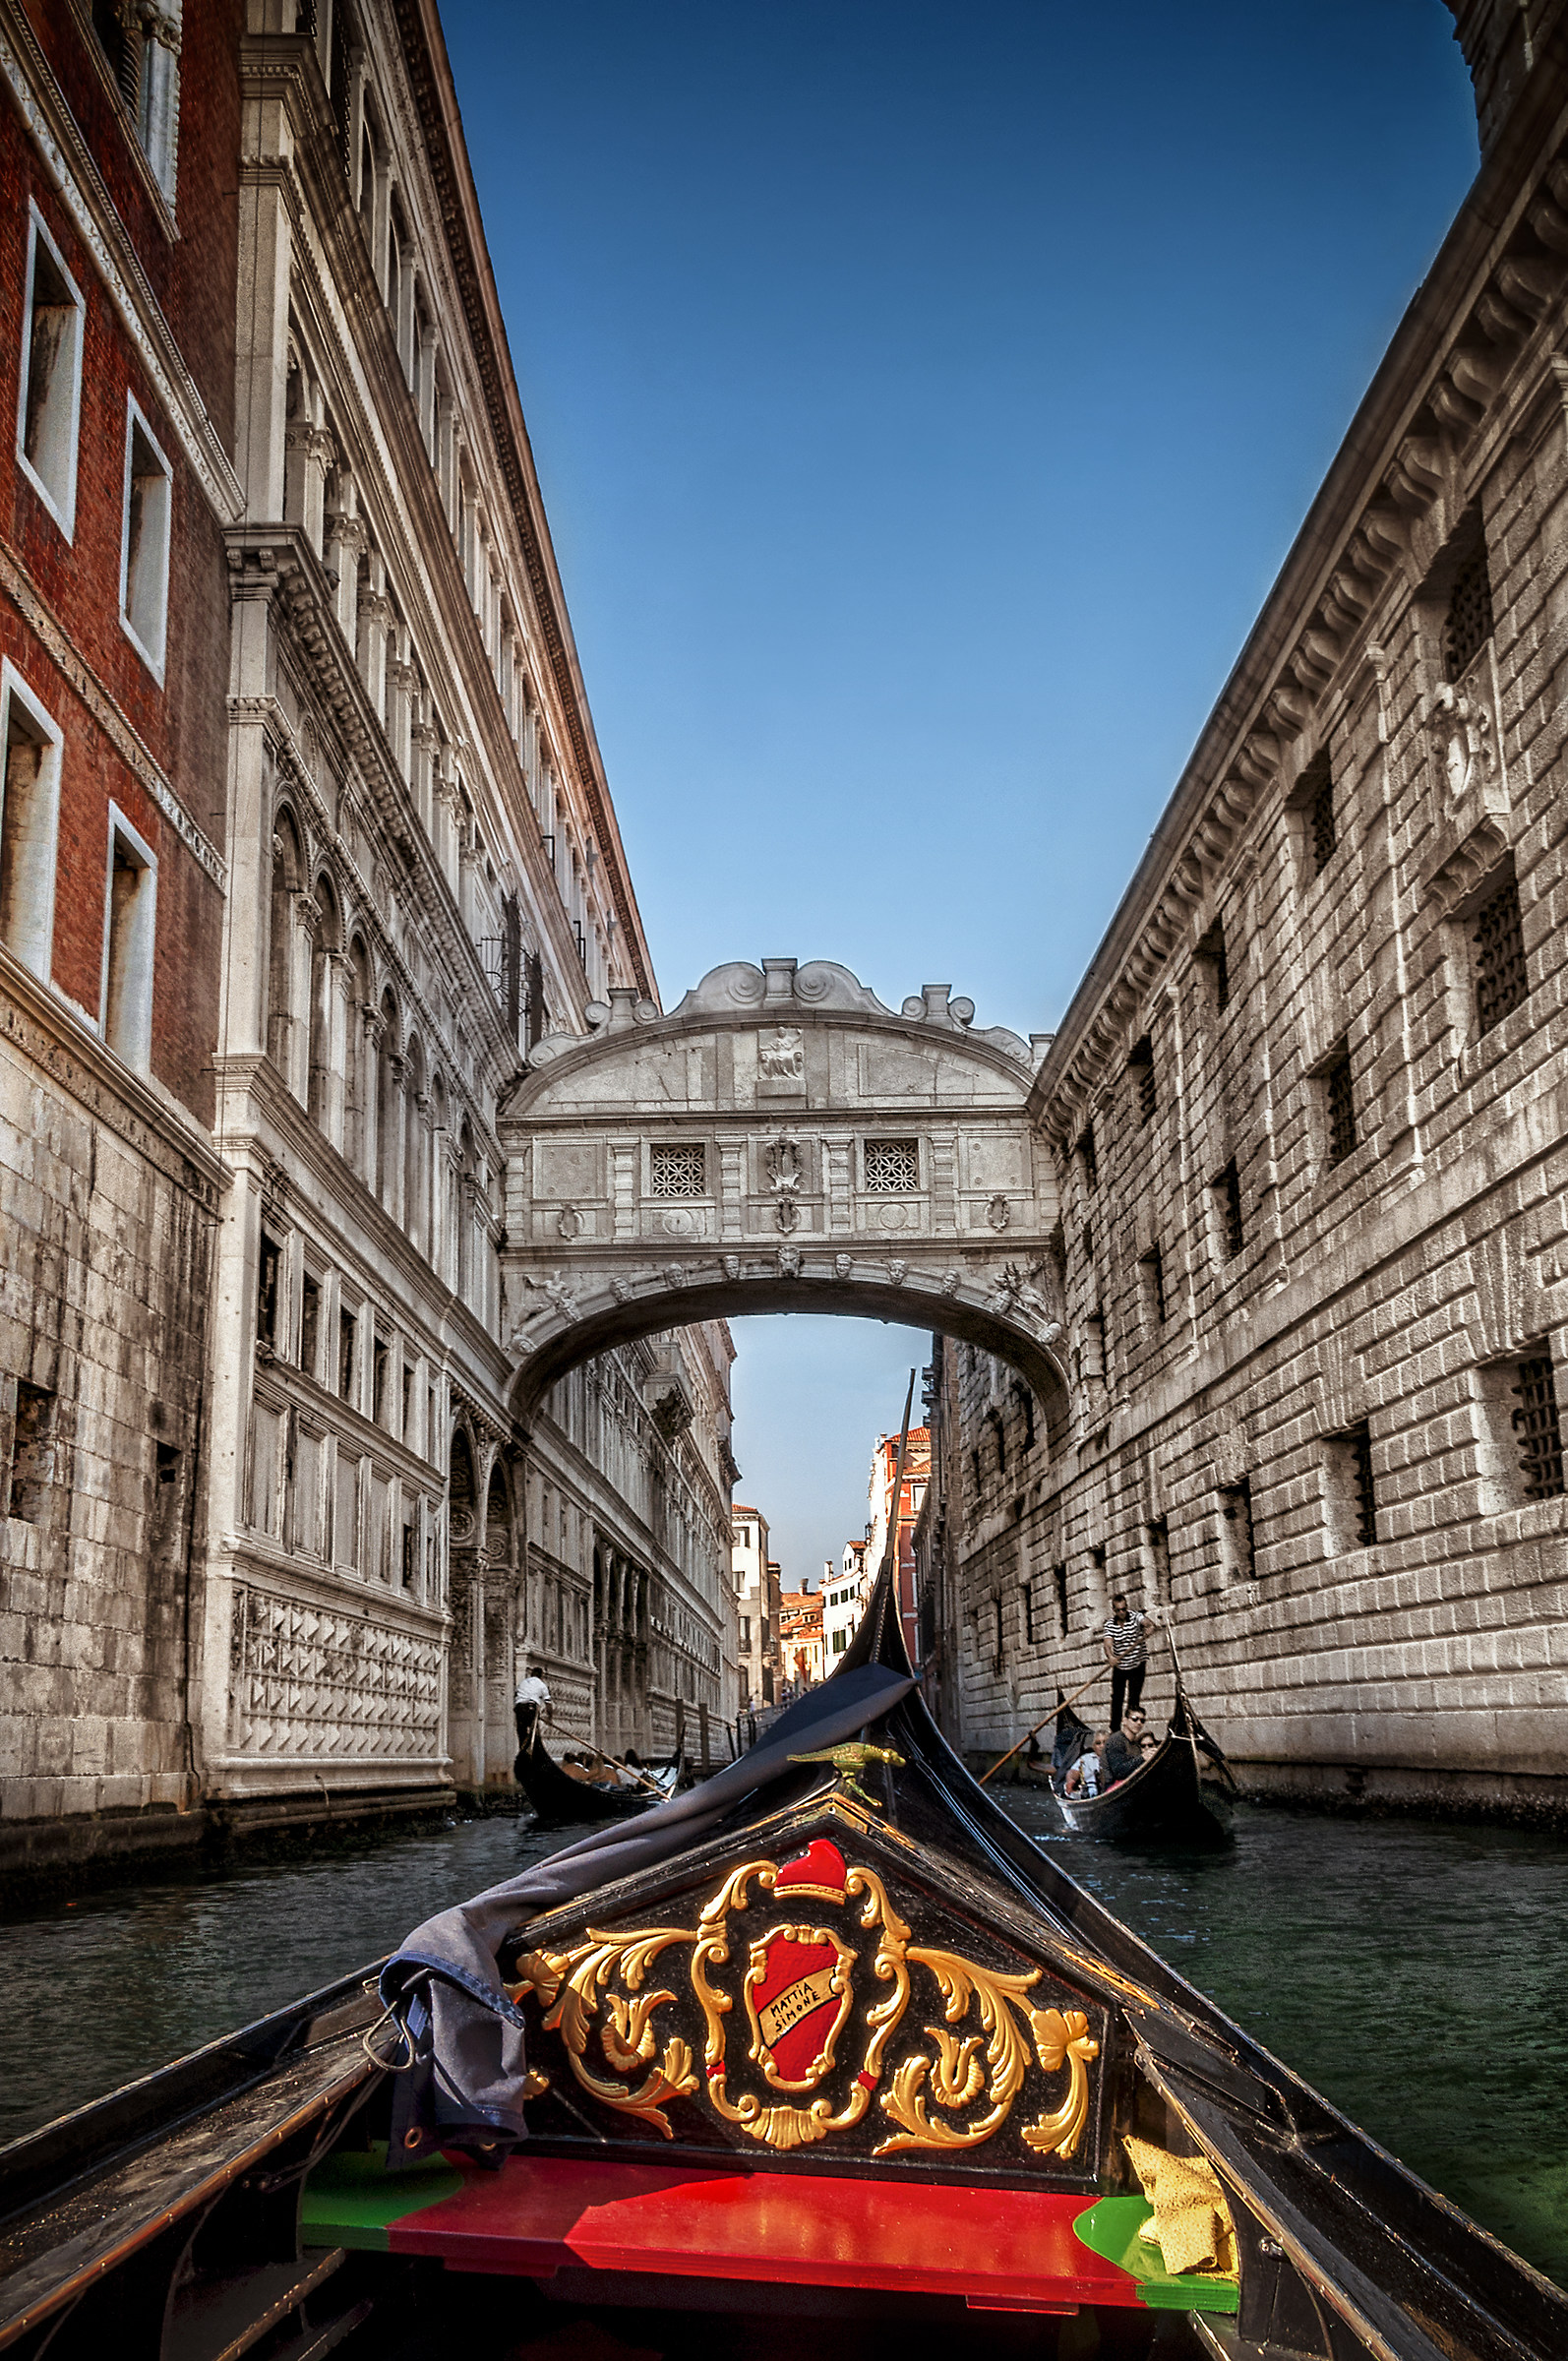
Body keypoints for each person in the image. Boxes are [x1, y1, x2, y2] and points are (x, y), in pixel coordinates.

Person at [1102, 1594, 1148, 1729]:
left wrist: (1149, 1627)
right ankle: (1115, 1730)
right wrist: (1110, 1657)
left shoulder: (1135, 1616)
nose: (1122, 1612)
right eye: (1118, 1610)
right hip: (1120, 1665)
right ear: (1114, 1610)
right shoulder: (1110, 1624)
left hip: (1138, 1663)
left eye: (1124, 1609)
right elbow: (1107, 1644)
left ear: (1126, 1607)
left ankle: (1131, 1728)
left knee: (1133, 1699)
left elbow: (1147, 1623)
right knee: (1117, 1699)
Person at [1102, 1706, 1148, 1785]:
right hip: (1114, 1789)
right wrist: (1142, 1758)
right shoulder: (1116, 1741)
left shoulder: (1136, 1745)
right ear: (1125, 1721)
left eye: (1142, 1720)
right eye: (1134, 1719)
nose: (1139, 1723)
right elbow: (1119, 1771)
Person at [1063, 1732, 1105, 1798]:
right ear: (1093, 1746)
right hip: (1089, 1791)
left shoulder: (1114, 1758)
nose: (1102, 1746)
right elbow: (1073, 1772)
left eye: (1105, 1743)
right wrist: (1070, 1780)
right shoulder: (1086, 1758)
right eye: (1098, 1743)